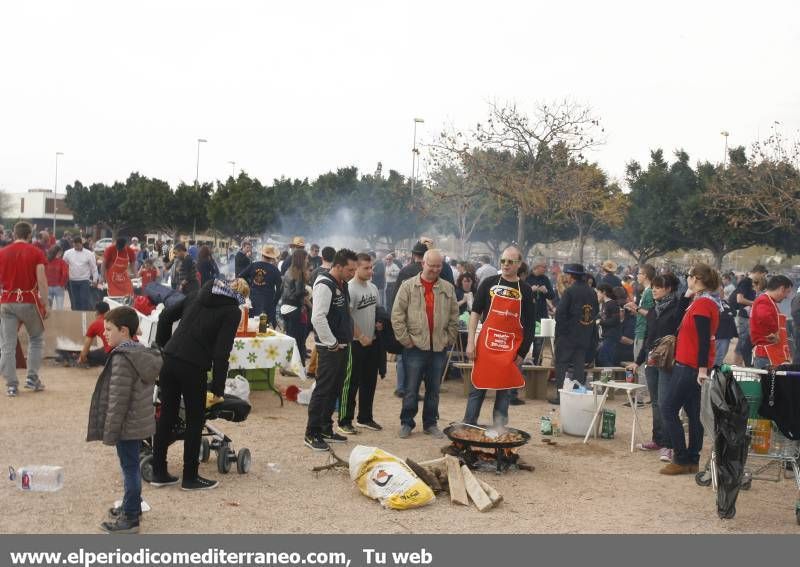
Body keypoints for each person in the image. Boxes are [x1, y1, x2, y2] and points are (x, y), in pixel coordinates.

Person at [152, 278, 249, 490]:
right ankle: (190, 477)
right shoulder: (232, 311)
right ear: (241, 297)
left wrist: (163, 346)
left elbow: (165, 316)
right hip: (193, 366)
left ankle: (158, 471)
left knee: (167, 415)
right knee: (195, 421)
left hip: (169, 359)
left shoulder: (197, 293)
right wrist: (217, 389)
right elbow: (221, 353)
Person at [87, 306, 161, 534]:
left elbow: (118, 399)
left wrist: (111, 430)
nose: (105, 333)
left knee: (129, 468)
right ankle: (132, 506)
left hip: (126, 426)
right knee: (131, 467)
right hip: (137, 423)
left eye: (109, 329)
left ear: (124, 330)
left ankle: (130, 519)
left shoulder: (122, 358)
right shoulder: (140, 353)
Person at [463, 246, 535, 427]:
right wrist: (470, 342)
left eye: (510, 261)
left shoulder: (525, 290)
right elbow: (475, 313)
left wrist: (522, 352)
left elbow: (530, 325)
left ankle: (499, 432)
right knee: (478, 387)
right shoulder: (488, 283)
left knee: (504, 391)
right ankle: (468, 426)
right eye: (503, 261)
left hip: (510, 349)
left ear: (519, 264)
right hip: (486, 345)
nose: (506, 264)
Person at [392, 249, 459, 439]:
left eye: (439, 266)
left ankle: (430, 424)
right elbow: (397, 316)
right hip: (414, 348)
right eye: (432, 265)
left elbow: (455, 316)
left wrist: (449, 338)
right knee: (411, 389)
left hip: (438, 348)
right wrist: (406, 339)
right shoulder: (408, 286)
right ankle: (407, 422)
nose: (436, 269)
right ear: (423, 264)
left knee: (433, 390)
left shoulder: (448, 288)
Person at [660, 264, 720, 475]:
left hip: (690, 366)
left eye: (689, 276)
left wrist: (702, 368)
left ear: (695, 278)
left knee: (668, 408)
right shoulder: (700, 301)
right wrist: (685, 297)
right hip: (692, 365)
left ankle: (681, 458)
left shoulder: (703, 304)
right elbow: (675, 323)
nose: (687, 279)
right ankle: (691, 458)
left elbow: (705, 340)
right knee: (693, 413)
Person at [626, 273, 685, 461]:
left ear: (668, 289)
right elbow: (650, 338)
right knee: (656, 402)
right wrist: (638, 360)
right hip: (651, 360)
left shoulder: (677, 308)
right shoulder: (655, 309)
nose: (654, 290)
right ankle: (657, 439)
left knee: (666, 402)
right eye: (653, 286)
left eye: (658, 287)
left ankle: (669, 445)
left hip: (668, 361)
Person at [305, 249, 358, 451]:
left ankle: (326, 428)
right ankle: (311, 433)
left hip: (342, 345)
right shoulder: (324, 285)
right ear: (337, 266)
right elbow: (317, 318)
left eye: (354, 269)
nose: (352, 273)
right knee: (323, 390)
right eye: (349, 269)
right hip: (329, 348)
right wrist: (332, 343)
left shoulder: (341, 284)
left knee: (335, 389)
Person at [0, 222, 50, 397]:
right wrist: (46, 303)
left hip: (7, 302)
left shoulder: (2, 253)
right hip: (29, 300)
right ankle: (32, 378)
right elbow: (42, 279)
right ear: (30, 235)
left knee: (7, 345)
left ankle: (11, 385)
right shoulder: (36, 252)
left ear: (14, 234)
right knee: (36, 338)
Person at [337, 252, 383, 434]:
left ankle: (365, 417)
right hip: (355, 343)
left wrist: (379, 323)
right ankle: (344, 420)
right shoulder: (349, 288)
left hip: (371, 342)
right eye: (366, 267)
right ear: (356, 267)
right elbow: (347, 316)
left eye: (371, 267)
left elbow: (376, 310)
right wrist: (360, 335)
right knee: (351, 383)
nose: (370, 271)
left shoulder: (373, 288)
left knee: (369, 382)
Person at [549, 264, 599, 404]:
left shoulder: (570, 291)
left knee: (561, 365)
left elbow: (560, 314)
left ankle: (560, 396)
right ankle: (578, 395)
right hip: (584, 334)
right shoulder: (591, 292)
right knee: (579, 366)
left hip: (567, 336)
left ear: (571, 276)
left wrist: (562, 332)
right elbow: (594, 313)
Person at [750, 275, 794, 369]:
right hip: (767, 355)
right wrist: (774, 332)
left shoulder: (770, 301)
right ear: (782, 289)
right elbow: (764, 316)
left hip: (771, 353)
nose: (787, 296)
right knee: (769, 383)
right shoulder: (764, 301)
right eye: (787, 292)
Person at [281, 249, 311, 366]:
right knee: (299, 340)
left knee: (290, 339)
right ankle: (298, 367)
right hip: (295, 309)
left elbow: (281, 289)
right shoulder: (299, 273)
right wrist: (306, 292)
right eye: (306, 258)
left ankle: (286, 365)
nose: (308, 260)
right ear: (302, 259)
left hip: (285, 308)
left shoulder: (289, 271)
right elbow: (298, 292)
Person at [733, 264, 768, 366]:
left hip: (748, 317)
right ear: (758, 272)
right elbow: (739, 299)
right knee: (743, 342)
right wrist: (757, 303)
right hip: (744, 317)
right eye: (763, 275)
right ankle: (737, 365)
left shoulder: (750, 283)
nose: (764, 277)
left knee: (745, 342)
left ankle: (740, 365)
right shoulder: (745, 282)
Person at [239, 245, 283, 326]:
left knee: (252, 325)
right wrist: (275, 301)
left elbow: (240, 276)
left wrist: (250, 285)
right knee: (263, 328)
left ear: (262, 255)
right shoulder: (274, 269)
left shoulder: (253, 265)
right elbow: (280, 288)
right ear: (272, 257)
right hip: (267, 302)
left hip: (253, 301)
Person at [526, 261, 555, 364]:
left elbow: (552, 296)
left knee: (539, 341)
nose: (546, 269)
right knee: (526, 339)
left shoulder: (545, 279)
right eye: (544, 266)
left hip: (541, 314)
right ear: (536, 267)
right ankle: (525, 362)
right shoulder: (527, 277)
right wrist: (530, 290)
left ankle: (536, 363)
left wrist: (546, 291)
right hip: (528, 314)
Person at [63, 236, 99, 310]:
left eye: (78, 245)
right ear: (73, 244)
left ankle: (84, 316)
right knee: (75, 301)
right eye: (75, 245)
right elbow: (63, 266)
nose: (77, 247)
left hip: (84, 280)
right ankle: (76, 317)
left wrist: (95, 280)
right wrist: (64, 279)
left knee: (84, 300)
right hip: (72, 280)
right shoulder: (67, 253)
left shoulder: (89, 254)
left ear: (81, 244)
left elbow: (94, 267)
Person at [79, 302, 113, 366]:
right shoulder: (117, 318)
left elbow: (85, 350)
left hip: (115, 356)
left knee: (89, 355)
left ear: (96, 312)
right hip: (132, 349)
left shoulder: (95, 324)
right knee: (103, 349)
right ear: (109, 311)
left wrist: (82, 358)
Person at [595, 283, 621, 367]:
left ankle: (609, 378)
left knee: (605, 358)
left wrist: (600, 322)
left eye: (598, 292)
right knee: (600, 358)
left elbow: (615, 320)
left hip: (612, 336)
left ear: (604, 292)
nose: (597, 294)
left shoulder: (612, 304)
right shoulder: (604, 305)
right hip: (605, 336)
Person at [45, 245, 69, 310]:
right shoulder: (62, 262)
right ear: (58, 252)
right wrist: (62, 284)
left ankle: (49, 320)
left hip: (47, 286)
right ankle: (59, 320)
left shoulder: (46, 261)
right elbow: (65, 274)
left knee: (48, 308)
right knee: (59, 308)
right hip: (59, 287)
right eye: (61, 253)